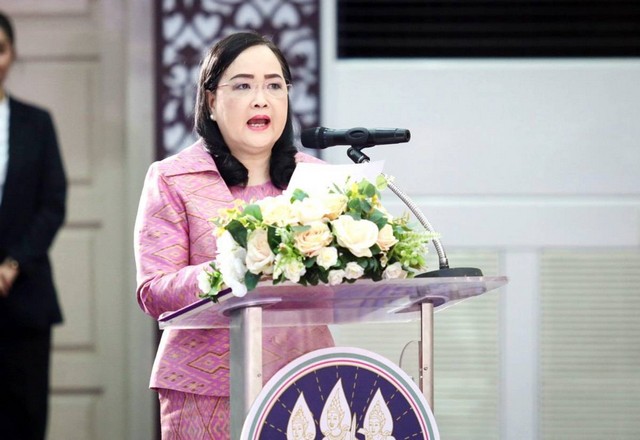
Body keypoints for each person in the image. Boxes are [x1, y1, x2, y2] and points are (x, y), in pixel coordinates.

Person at [134, 32, 334, 438]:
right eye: (243, 86)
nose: (261, 99)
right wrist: (232, 268)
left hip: (305, 378)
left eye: (274, 85)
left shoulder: (317, 179)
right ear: (211, 100)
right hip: (204, 390)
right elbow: (153, 292)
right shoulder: (173, 178)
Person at [0, 10, 67, 440]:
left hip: (24, 296)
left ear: (12, 54)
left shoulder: (36, 123)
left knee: (25, 418)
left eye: (0, 49)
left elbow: (52, 204)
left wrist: (12, 265)